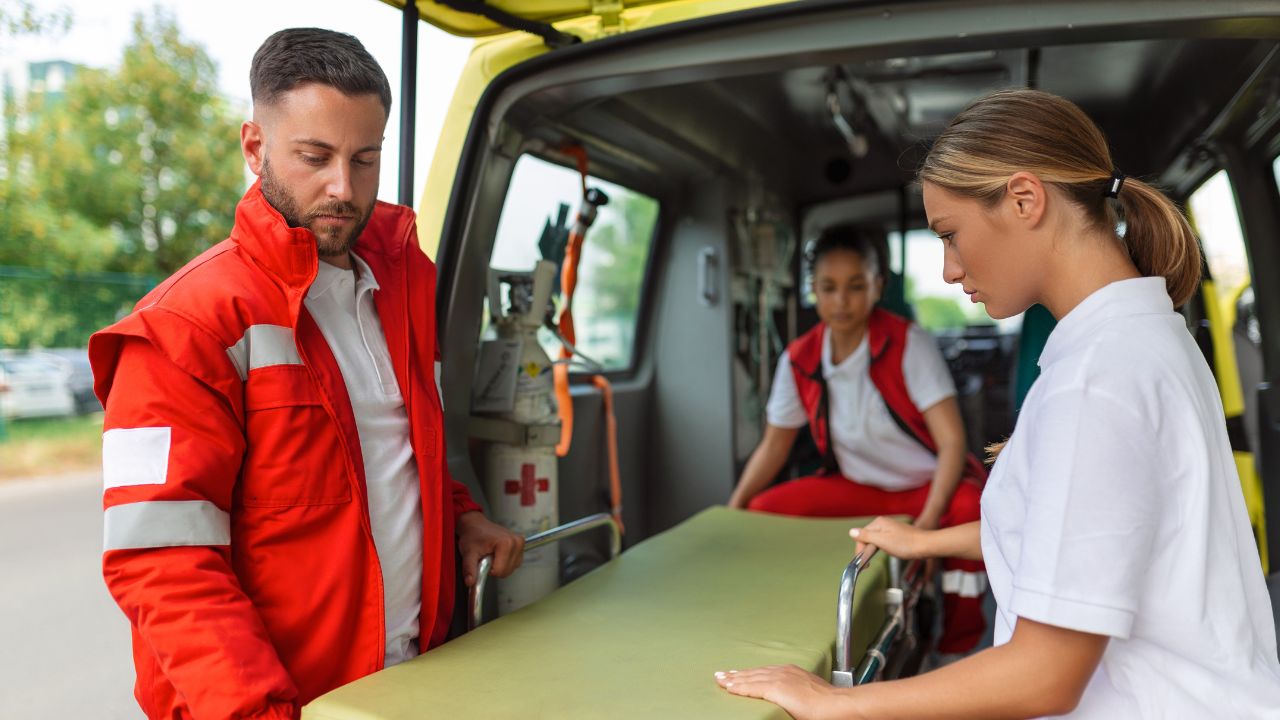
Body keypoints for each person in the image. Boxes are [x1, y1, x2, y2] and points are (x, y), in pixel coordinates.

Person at [715, 88, 1280, 718]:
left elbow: (1045, 675)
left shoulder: (1096, 380)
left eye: (951, 235)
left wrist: (834, 703)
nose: (950, 269)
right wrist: (927, 543)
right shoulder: (1143, 336)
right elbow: (1084, 532)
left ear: (1024, 199)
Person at [90, 28, 524, 719]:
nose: (342, 189)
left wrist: (462, 517)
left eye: (365, 160)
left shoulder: (405, 284)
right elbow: (163, 562)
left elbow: (396, 455)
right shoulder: (185, 327)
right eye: (314, 157)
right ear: (255, 148)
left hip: (416, 686)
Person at [727, 225, 988, 655]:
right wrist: (734, 509)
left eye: (856, 286)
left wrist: (924, 528)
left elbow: (951, 443)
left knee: (969, 508)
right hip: (858, 490)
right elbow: (775, 446)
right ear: (813, 290)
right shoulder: (799, 357)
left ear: (877, 286)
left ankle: (957, 646)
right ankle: (788, 610)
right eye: (828, 288)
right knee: (762, 510)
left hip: (925, 489)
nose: (842, 301)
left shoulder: (908, 343)